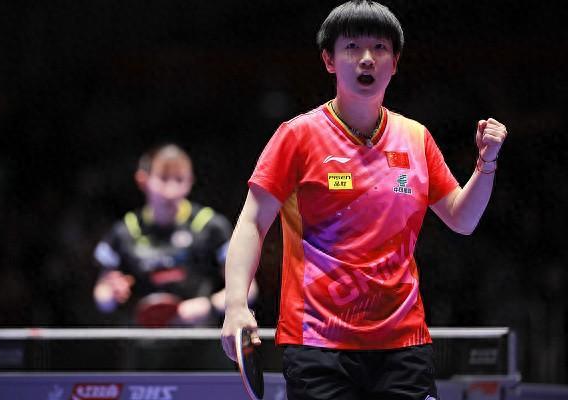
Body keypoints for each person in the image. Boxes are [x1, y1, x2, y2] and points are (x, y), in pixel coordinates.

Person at [220, 1, 508, 399]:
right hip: (318, 342)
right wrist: (236, 304)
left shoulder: (416, 137)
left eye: (380, 48)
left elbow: (462, 218)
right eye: (352, 47)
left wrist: (486, 163)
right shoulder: (297, 136)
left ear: (395, 63)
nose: (367, 58)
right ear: (329, 60)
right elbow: (252, 221)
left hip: (403, 343)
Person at [93, 143, 257, 326]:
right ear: (143, 180)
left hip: (199, 336)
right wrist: (110, 295)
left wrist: (209, 305)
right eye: (163, 178)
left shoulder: (210, 227)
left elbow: (249, 289)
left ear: (190, 181)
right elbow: (102, 297)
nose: (171, 190)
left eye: (179, 180)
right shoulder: (125, 231)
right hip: (143, 338)